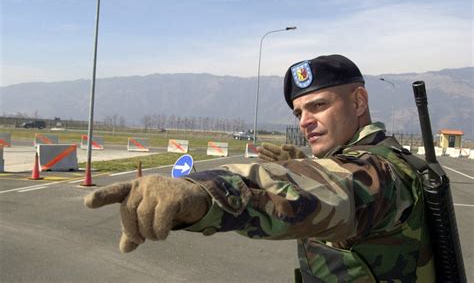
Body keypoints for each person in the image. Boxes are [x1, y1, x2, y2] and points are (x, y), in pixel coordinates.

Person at [84, 54, 435, 282]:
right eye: (299, 113)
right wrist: (303, 166)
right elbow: (323, 177)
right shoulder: (356, 160)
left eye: (318, 105)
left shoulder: (384, 172)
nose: (305, 122)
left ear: (358, 101)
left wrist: (201, 192)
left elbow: (327, 188)